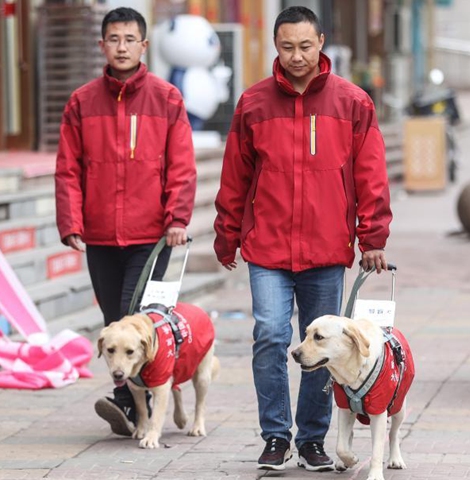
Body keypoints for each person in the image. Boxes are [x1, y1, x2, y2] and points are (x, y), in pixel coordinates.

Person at [213, 6, 392, 472]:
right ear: (276, 46)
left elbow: (371, 174)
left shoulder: (353, 103)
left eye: (305, 46)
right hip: (267, 245)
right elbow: (235, 176)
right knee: (271, 334)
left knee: (324, 346)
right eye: (287, 47)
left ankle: (313, 440)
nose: (296, 56)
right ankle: (276, 436)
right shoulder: (253, 103)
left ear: (321, 43)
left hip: (326, 247)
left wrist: (372, 235)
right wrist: (226, 233)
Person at [54, 7, 196, 437]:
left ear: (143, 46)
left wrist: (177, 217)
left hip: (151, 234)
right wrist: (71, 220)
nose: (121, 47)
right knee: (114, 318)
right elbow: (68, 168)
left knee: (134, 319)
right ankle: (140, 400)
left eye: (129, 39)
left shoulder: (166, 98)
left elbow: (181, 166)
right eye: (113, 39)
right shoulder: (81, 101)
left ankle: (128, 403)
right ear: (102, 45)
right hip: (99, 234)